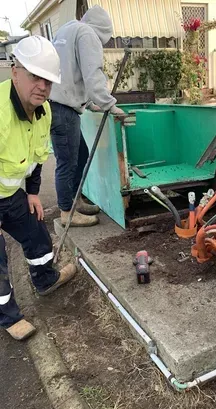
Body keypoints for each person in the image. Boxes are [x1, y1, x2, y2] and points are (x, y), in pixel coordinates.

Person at [0, 36, 76, 340]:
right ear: (15, 71)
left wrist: (32, 192)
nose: (42, 87)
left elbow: (37, 157)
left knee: (37, 233)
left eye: (48, 81)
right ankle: (8, 317)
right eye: (35, 76)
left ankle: (46, 279)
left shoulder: (44, 113)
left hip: (10, 195)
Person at [50, 5, 127, 227]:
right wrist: (109, 104)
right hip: (63, 108)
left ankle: (75, 202)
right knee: (67, 162)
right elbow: (93, 75)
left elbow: (71, 72)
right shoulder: (88, 34)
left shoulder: (68, 29)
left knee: (80, 155)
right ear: (103, 30)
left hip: (59, 103)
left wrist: (92, 103)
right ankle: (67, 212)